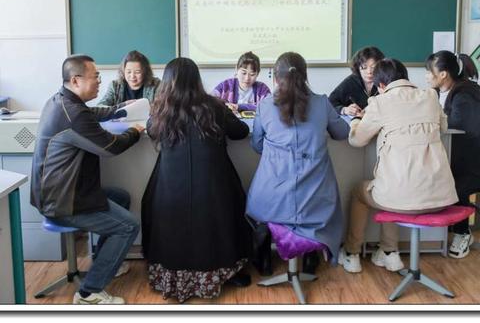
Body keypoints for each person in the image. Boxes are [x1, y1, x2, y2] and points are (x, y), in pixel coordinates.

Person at [30, 54, 144, 304]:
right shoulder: (74, 114)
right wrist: (135, 131)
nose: (99, 82)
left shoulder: (62, 101)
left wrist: (119, 109)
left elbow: (93, 113)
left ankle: (106, 263)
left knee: (121, 197)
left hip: (59, 191)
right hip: (61, 200)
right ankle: (88, 293)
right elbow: (111, 147)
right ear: (76, 80)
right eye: (95, 77)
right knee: (128, 226)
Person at [142, 57, 252, 303]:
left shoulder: (161, 109)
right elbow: (241, 132)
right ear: (197, 80)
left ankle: (173, 278)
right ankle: (222, 272)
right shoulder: (214, 106)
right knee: (233, 203)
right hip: (214, 186)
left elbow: (150, 130)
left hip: (170, 188)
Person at [340, 58, 458, 274]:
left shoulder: (379, 102)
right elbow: (443, 125)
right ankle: (388, 251)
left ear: (381, 85)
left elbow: (357, 140)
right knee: (391, 186)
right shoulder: (430, 96)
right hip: (440, 198)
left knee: (363, 191)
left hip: (400, 199)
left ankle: (352, 253)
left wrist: (357, 121)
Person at [246, 52, 350, 274]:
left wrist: (279, 156)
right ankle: (310, 259)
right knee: (311, 211)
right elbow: (342, 133)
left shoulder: (264, 106)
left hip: (272, 202)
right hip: (316, 203)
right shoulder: (322, 103)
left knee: (256, 209)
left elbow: (256, 144)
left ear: (275, 78)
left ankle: (263, 262)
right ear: (305, 76)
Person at [425, 50, 480, 258]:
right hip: (461, 156)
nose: (427, 76)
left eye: (430, 72)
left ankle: (462, 233)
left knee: (452, 185)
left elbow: (462, 128)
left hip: (473, 161)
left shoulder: (465, 94)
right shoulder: (447, 91)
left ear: (443, 74)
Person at [329, 46, 385, 117]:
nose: (369, 71)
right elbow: (330, 102)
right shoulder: (351, 81)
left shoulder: (385, 80)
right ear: (358, 68)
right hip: (356, 122)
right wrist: (344, 109)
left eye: (373, 67)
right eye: (364, 67)